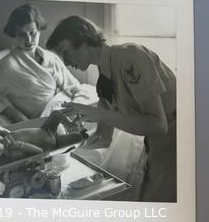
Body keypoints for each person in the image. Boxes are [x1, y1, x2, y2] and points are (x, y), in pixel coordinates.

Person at [46, 16, 176, 202]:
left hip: (177, 138)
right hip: (154, 143)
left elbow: (158, 125)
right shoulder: (104, 81)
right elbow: (103, 138)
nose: (65, 62)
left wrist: (100, 114)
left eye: (65, 52)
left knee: (153, 201)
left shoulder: (131, 57)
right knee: (142, 195)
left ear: (83, 40)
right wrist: (64, 146)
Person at [0, 5, 89, 124]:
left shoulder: (51, 58)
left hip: (65, 110)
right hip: (44, 121)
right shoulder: (5, 67)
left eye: (32, 33)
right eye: (22, 34)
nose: (28, 39)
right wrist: (12, 113)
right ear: (14, 35)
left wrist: (78, 110)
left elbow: (75, 87)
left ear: (39, 30)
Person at [0, 110, 88, 174]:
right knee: (76, 138)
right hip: (53, 142)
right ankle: (83, 135)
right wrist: (19, 146)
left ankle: (70, 125)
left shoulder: (4, 141)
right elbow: (40, 152)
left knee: (56, 114)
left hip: (45, 129)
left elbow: (8, 134)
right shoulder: (14, 156)